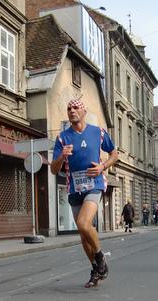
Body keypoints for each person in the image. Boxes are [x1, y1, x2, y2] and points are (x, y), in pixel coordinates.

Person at [51, 98, 118, 288]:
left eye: (75, 108)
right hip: (74, 188)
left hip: (94, 183)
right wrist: (62, 156)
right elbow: (54, 170)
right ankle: (96, 268)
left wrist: (103, 166)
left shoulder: (98, 132)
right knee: (83, 234)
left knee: (83, 223)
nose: (71, 111)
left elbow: (114, 154)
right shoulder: (62, 138)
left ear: (83, 111)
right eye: (68, 108)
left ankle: (100, 258)